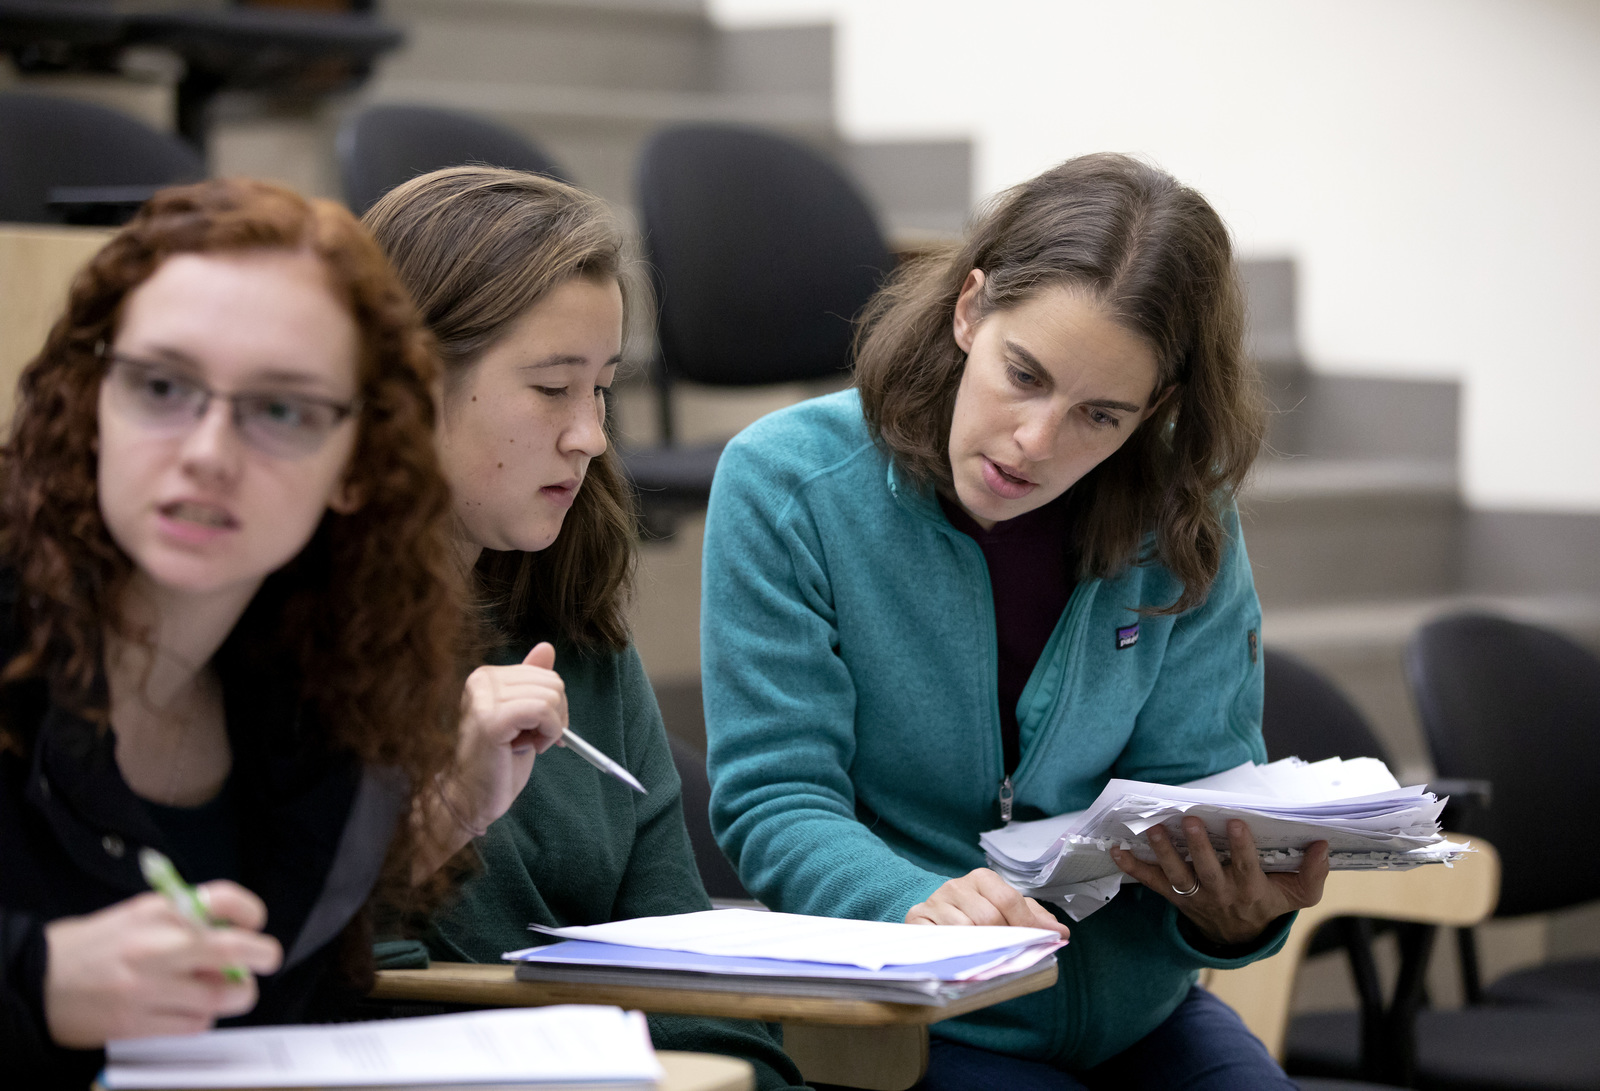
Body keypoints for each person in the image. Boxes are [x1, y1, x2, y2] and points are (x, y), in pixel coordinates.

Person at [700, 154, 1330, 1090]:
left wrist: (1226, 916)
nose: (1036, 442)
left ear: (1152, 409)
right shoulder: (787, 484)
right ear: (969, 309)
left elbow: (1191, 794)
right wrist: (914, 901)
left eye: (1100, 415)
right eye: (1023, 374)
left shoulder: (1184, 516)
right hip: (919, 1008)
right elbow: (777, 800)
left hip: (1137, 1015)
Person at [0, 179, 466, 1086]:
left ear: (358, 465)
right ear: (93, 401)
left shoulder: (341, 703)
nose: (209, 450)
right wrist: (39, 978)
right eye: (163, 386)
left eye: (281, 409)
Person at [362, 166, 806, 1091]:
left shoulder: (573, 630)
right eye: (552, 388)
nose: (590, 436)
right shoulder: (298, 640)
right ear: (407, 384)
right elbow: (340, 987)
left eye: (601, 389)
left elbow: (687, 976)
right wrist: (443, 807)